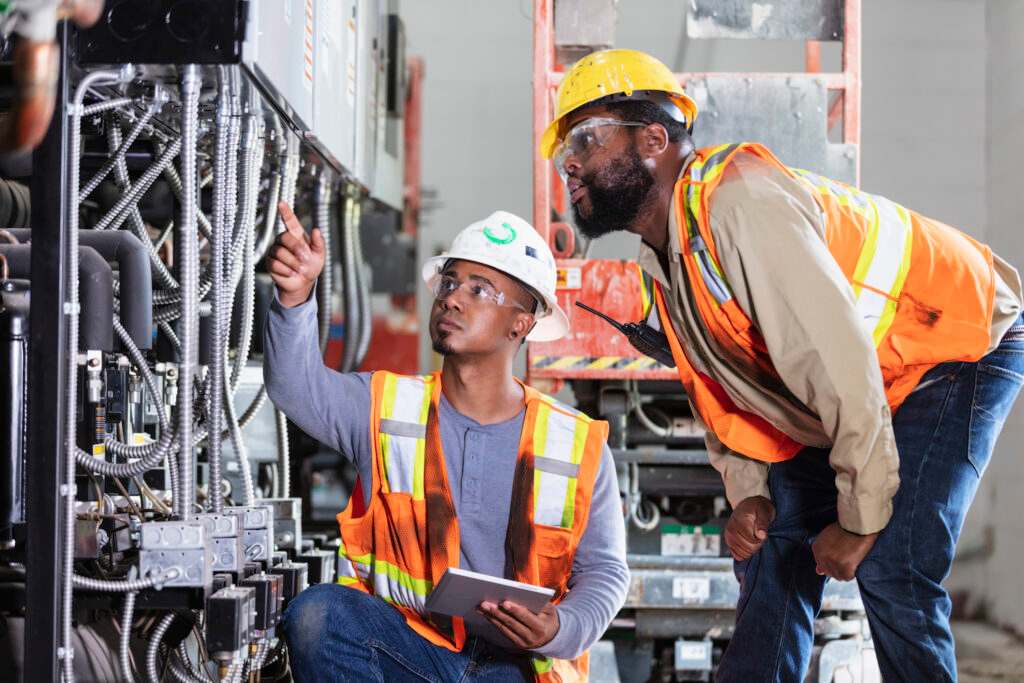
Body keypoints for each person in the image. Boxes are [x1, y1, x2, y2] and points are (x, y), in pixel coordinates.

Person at [538, 48, 1024, 682]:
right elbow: (720, 391)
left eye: (587, 139)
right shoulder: (667, 257)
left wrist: (859, 519)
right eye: (564, 151)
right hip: (881, 374)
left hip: (959, 346)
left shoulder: (739, 203)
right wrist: (750, 497)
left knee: (891, 559)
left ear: (654, 138)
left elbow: (839, 366)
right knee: (772, 547)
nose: (569, 162)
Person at [264, 203, 629, 682]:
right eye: (451, 283)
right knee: (319, 615)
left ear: (521, 324)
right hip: (406, 649)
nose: (453, 299)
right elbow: (295, 386)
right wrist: (295, 300)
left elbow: (604, 572)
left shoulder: (575, 442)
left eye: (480, 290)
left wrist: (559, 628)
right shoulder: (386, 405)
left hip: (515, 666)